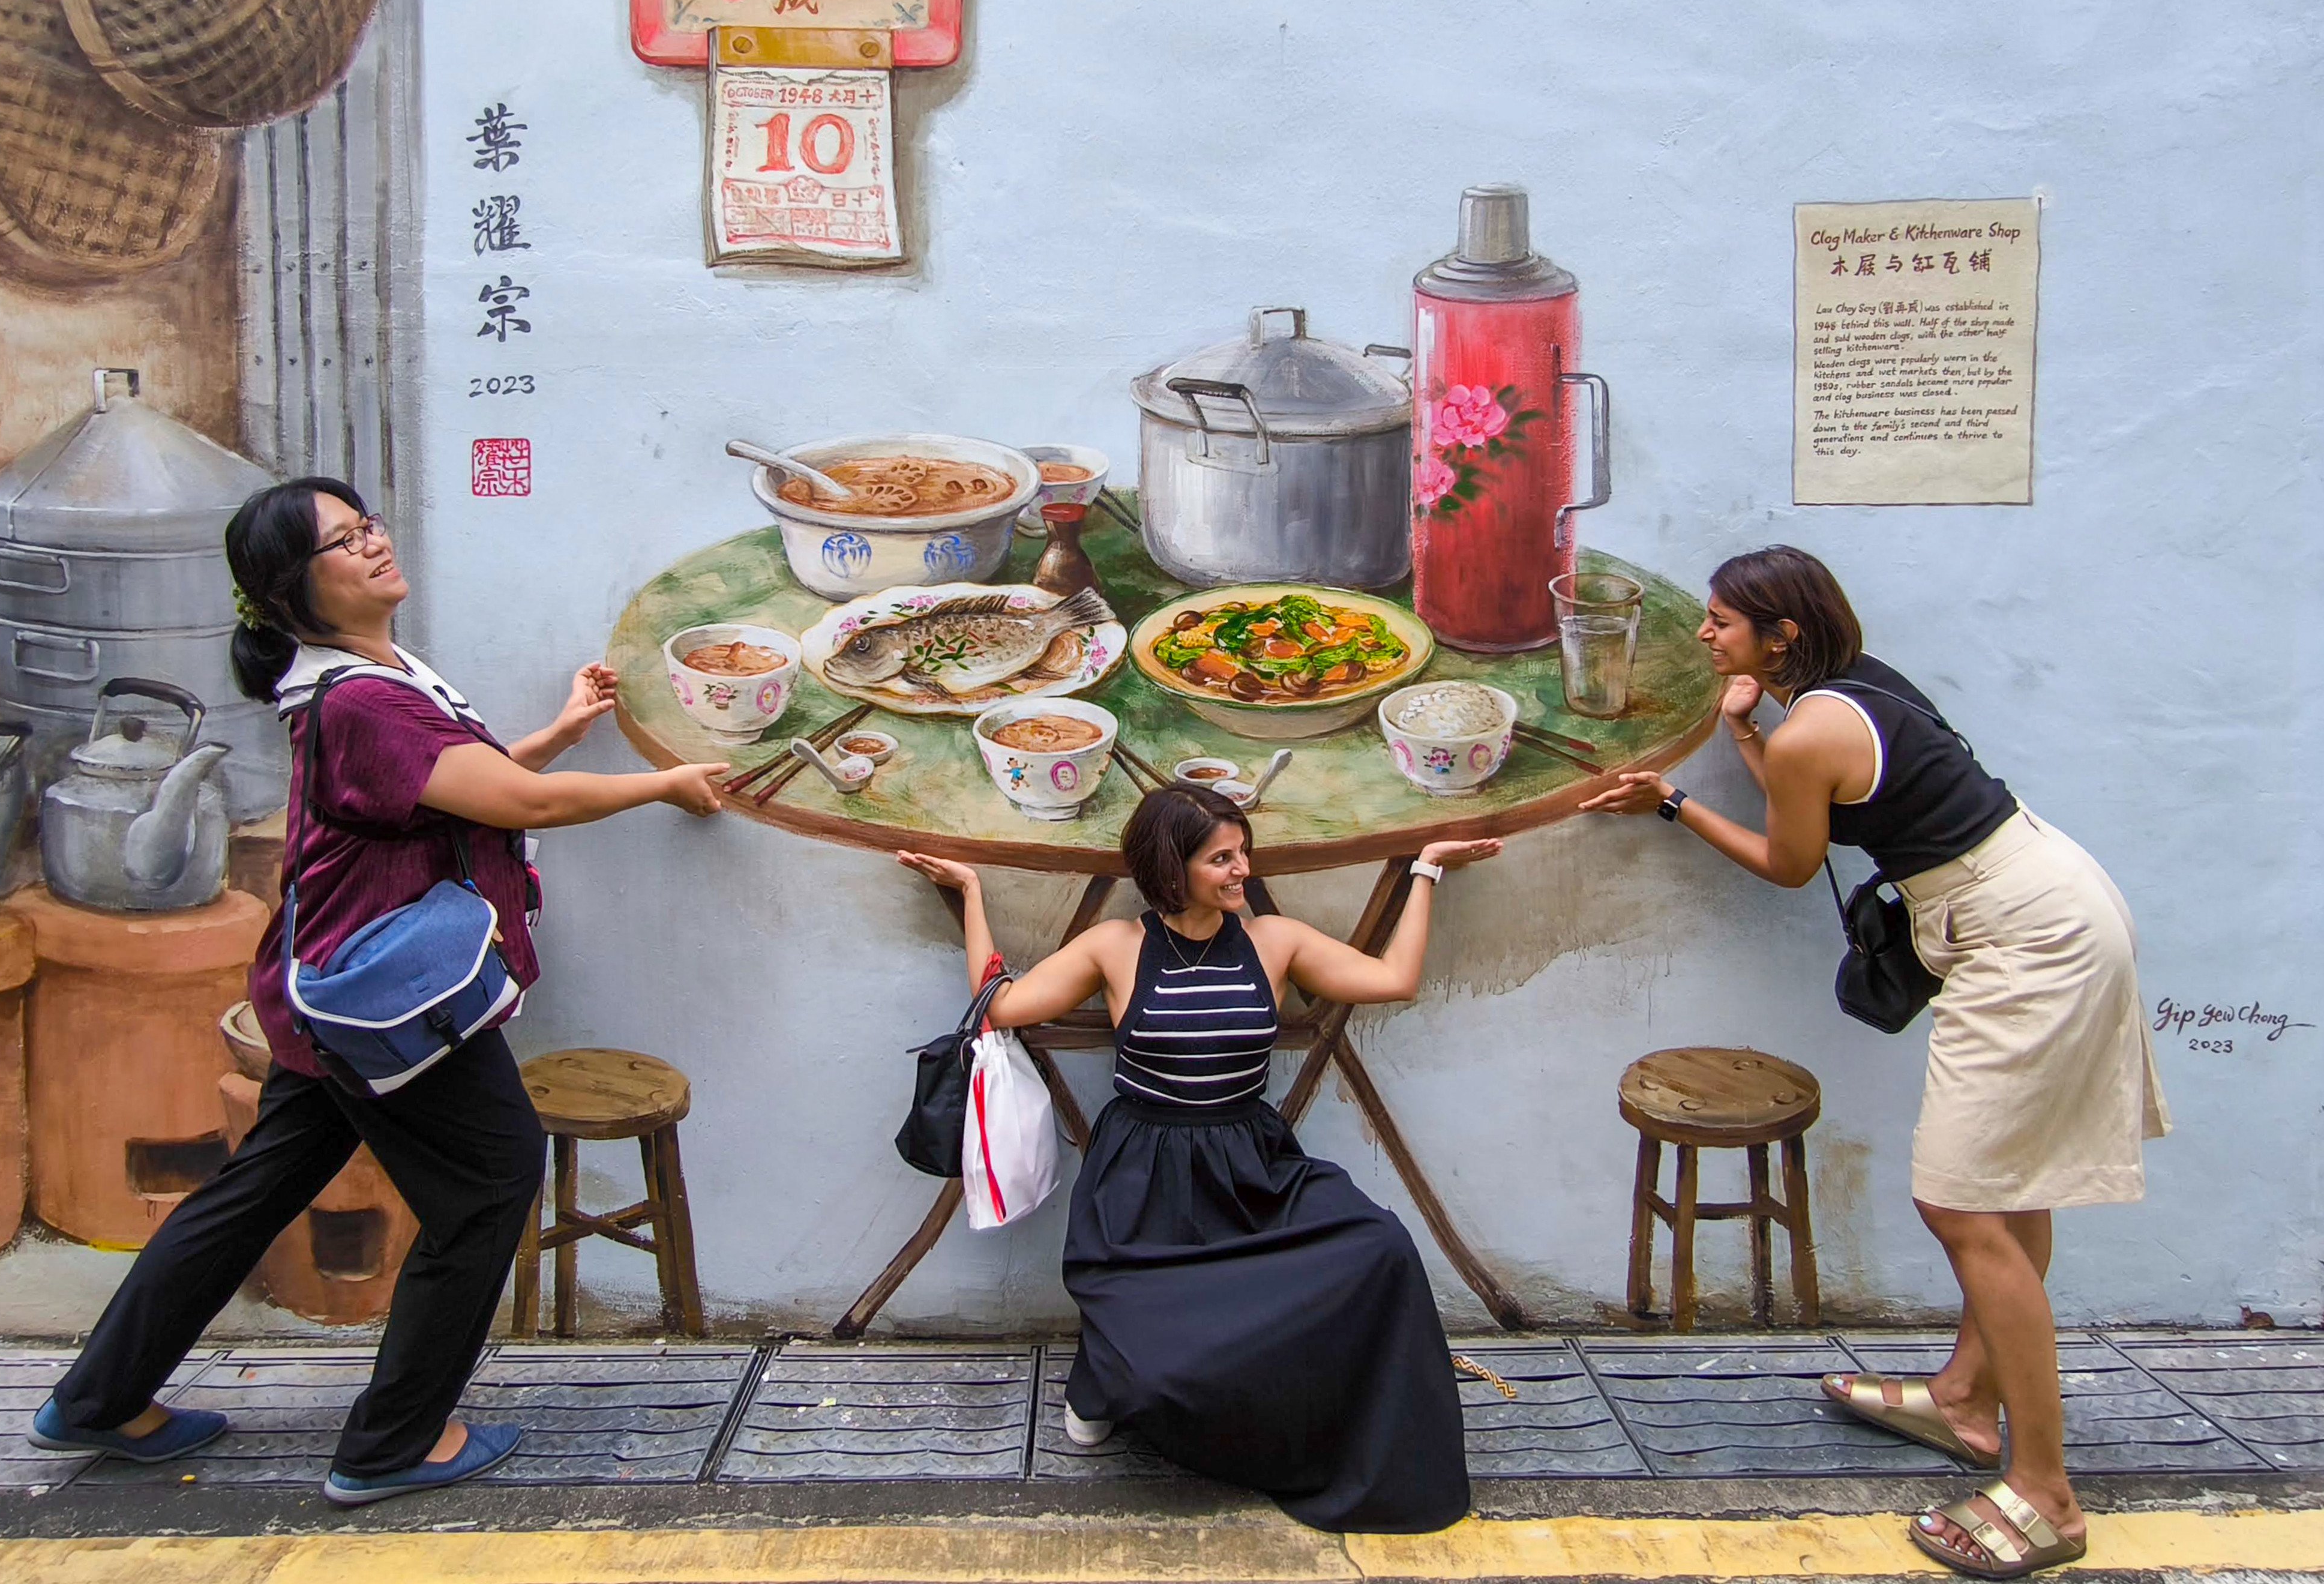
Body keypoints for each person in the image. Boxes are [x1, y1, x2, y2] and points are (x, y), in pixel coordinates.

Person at [30, 478, 731, 1507]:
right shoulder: (360, 697)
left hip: (331, 985)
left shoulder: (367, 672)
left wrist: (562, 730)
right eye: (343, 541)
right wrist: (661, 782)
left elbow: (453, 787)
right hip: (388, 1000)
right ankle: (396, 1438)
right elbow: (517, 801)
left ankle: (99, 1398)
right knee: (491, 1179)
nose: (373, 544)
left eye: (368, 525)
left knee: (252, 1190)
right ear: (291, 589)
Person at [1581, 545, 2167, 1580]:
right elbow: (1819, 800)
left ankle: (2046, 1493)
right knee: (2006, 1190)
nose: (1708, 636)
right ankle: (1962, 1402)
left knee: (1965, 1206)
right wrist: (1750, 730)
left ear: (1781, 634)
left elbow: (1789, 858)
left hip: (2025, 938)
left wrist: (1675, 803)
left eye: (1722, 621)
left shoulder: (1812, 725)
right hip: (2047, 894)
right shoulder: (1850, 694)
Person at [896, 784, 1500, 1534]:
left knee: (1381, 1248)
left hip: (1251, 1165)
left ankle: (1334, 1437)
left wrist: (1427, 871)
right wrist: (971, 890)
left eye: (1243, 852)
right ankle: (1099, 1384)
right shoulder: (1116, 946)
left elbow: (1393, 979)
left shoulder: (1275, 941)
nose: (1242, 868)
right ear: (1170, 868)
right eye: (1222, 858)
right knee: (1154, 1360)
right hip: (1144, 1171)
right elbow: (1000, 1006)